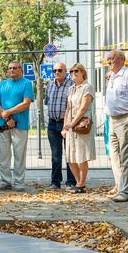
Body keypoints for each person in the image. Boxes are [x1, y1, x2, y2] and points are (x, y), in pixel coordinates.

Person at [104, 49, 128, 202]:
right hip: (112, 119)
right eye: (108, 59)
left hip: (125, 119)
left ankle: (127, 191)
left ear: (121, 60)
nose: (109, 62)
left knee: (125, 156)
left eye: (111, 59)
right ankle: (120, 185)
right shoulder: (112, 75)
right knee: (114, 156)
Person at [0, 60, 35, 191]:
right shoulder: (2, 84)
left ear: (21, 70)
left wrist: (8, 112)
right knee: (3, 154)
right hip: (4, 125)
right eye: (10, 68)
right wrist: (7, 117)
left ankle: (18, 182)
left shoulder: (26, 83)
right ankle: (5, 181)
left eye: (15, 68)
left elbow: (26, 103)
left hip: (20, 125)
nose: (12, 70)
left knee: (19, 154)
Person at [62, 63, 95, 194]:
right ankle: (77, 182)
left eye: (76, 71)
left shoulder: (87, 87)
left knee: (81, 155)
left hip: (81, 125)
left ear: (82, 72)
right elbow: (68, 108)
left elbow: (83, 108)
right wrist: (66, 126)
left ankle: (82, 183)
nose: (73, 74)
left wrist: (73, 123)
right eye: (71, 72)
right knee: (70, 156)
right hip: (70, 126)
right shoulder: (71, 89)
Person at [44, 62, 76, 190]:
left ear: (65, 71)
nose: (57, 72)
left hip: (66, 124)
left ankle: (71, 181)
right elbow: (47, 102)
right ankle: (55, 181)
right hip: (52, 123)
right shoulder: (50, 84)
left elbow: (73, 106)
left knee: (69, 153)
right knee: (55, 154)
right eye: (55, 70)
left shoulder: (71, 85)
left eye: (60, 70)